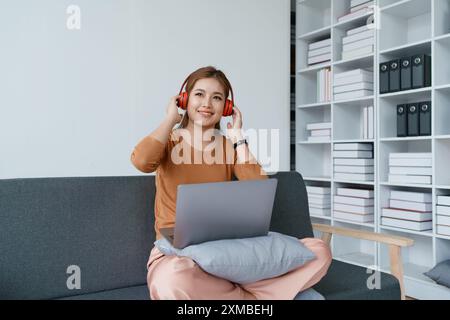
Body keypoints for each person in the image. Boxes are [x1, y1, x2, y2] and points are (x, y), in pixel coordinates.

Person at [130, 66, 332, 300]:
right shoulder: (169, 141)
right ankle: (253, 297)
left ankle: (229, 293)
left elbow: (258, 187)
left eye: (217, 98)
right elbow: (142, 161)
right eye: (199, 94)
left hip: (226, 252)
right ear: (183, 99)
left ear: (226, 108)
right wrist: (169, 119)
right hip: (178, 253)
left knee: (319, 252)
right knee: (171, 280)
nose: (207, 103)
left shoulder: (229, 146)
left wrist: (238, 137)